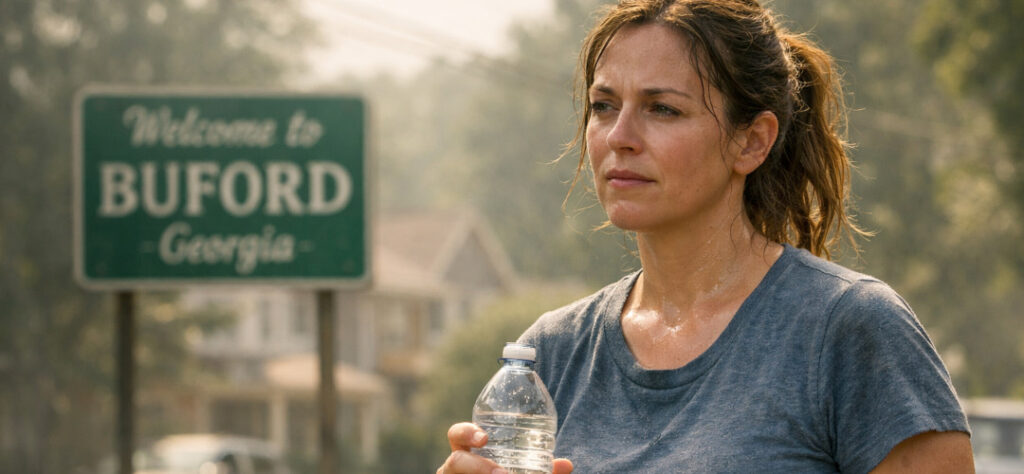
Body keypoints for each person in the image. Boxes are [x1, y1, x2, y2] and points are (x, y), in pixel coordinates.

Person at [438, 0, 973, 472]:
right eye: (604, 106)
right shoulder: (549, 356)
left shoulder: (849, 329)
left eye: (662, 109)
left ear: (752, 142)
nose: (619, 137)